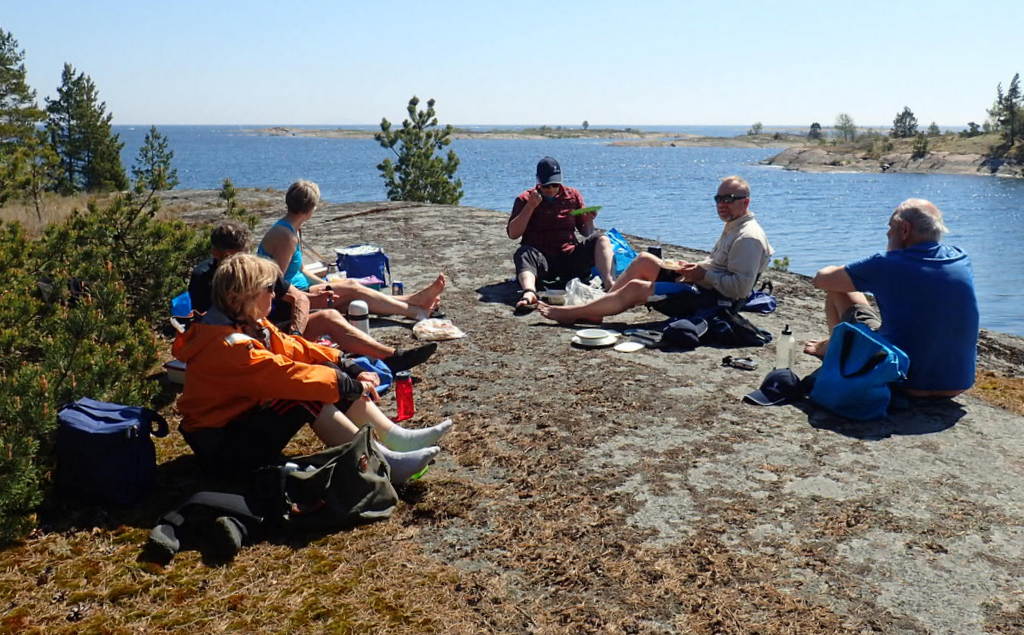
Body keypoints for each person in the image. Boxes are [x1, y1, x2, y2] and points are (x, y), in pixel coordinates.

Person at [174, 253, 454, 483]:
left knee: (326, 378)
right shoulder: (229, 344)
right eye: (269, 289)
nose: (275, 295)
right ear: (240, 297)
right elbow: (287, 375)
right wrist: (349, 384)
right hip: (221, 447)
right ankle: (384, 464)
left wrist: (346, 364)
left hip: (238, 423)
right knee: (304, 395)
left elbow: (295, 347)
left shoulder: (249, 325)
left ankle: (396, 439)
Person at [189, 220, 437, 373]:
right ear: (215, 252)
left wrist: (295, 334)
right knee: (343, 301)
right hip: (242, 345)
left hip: (277, 331)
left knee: (331, 313)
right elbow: (207, 323)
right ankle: (409, 309)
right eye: (232, 255)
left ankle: (393, 357)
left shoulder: (254, 269)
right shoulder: (204, 278)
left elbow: (299, 298)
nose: (240, 262)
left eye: (243, 254)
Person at [804, 198, 978, 398]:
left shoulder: (887, 264)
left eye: (890, 227)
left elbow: (821, 279)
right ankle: (832, 345)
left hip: (901, 379)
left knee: (839, 289)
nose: (887, 233)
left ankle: (833, 352)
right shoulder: (961, 257)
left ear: (904, 229)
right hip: (957, 384)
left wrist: (881, 256)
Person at [539, 175, 772, 324]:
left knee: (636, 288)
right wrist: (693, 267)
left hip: (715, 302)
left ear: (746, 202)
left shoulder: (748, 237)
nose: (722, 204)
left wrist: (702, 275)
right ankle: (597, 309)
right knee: (645, 259)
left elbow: (739, 290)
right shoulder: (733, 226)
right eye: (718, 199)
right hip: (704, 284)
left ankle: (572, 314)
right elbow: (719, 265)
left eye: (729, 199)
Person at [257, 180, 446, 320]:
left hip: (302, 289)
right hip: (289, 300)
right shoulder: (285, 236)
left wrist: (328, 282)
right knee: (353, 290)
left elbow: (300, 270)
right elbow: (276, 283)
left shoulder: (293, 230)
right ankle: (413, 310)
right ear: (311, 208)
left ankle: (413, 300)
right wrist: (309, 296)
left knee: (352, 298)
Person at [507, 157, 614, 314]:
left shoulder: (572, 196)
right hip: (541, 259)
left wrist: (589, 218)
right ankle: (529, 292)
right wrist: (530, 207)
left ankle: (610, 285)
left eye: (555, 185)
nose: (551, 189)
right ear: (538, 182)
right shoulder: (525, 199)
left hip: (568, 255)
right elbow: (513, 234)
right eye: (546, 186)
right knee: (523, 253)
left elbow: (586, 231)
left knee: (601, 239)